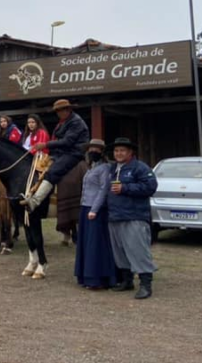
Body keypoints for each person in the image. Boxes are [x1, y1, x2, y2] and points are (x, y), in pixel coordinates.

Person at [107, 137, 158, 300]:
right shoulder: (113, 168)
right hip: (115, 216)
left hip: (134, 216)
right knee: (120, 251)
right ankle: (127, 280)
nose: (119, 153)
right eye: (116, 151)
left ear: (130, 152)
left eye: (122, 150)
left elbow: (151, 187)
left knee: (138, 250)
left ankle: (146, 284)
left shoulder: (140, 168)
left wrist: (125, 188)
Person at [25, 99, 90, 210]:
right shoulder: (63, 122)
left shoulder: (76, 122)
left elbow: (67, 142)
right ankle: (30, 192)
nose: (59, 113)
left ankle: (35, 201)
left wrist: (45, 145)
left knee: (53, 171)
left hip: (73, 152)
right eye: (57, 111)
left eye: (61, 110)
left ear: (68, 110)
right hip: (61, 152)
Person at [74, 139, 118, 290]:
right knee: (86, 243)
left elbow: (103, 189)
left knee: (96, 244)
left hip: (95, 209)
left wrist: (95, 209)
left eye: (96, 149)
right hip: (85, 206)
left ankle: (99, 278)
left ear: (102, 152)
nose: (93, 151)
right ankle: (86, 276)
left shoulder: (105, 168)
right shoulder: (90, 168)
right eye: (91, 149)